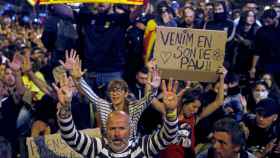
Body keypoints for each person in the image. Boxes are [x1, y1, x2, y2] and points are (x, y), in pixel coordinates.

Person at [54, 76, 180, 158]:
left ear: (130, 129)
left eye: (121, 128)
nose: (117, 133)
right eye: (113, 128)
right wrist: (65, 108)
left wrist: (170, 112)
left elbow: (168, 136)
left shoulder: (142, 146)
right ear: (105, 130)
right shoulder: (96, 147)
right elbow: (70, 136)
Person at [59, 51, 160, 137]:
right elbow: (89, 94)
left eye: (118, 91)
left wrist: (154, 89)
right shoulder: (104, 106)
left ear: (125, 93)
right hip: (108, 150)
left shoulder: (134, 107)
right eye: (112, 91)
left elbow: (147, 99)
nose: (115, 94)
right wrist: (77, 77)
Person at [249, 9, 280, 85]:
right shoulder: (261, 31)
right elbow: (257, 50)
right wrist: (253, 67)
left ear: (275, 18)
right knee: (267, 84)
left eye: (268, 21)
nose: (266, 23)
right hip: (266, 64)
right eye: (265, 21)